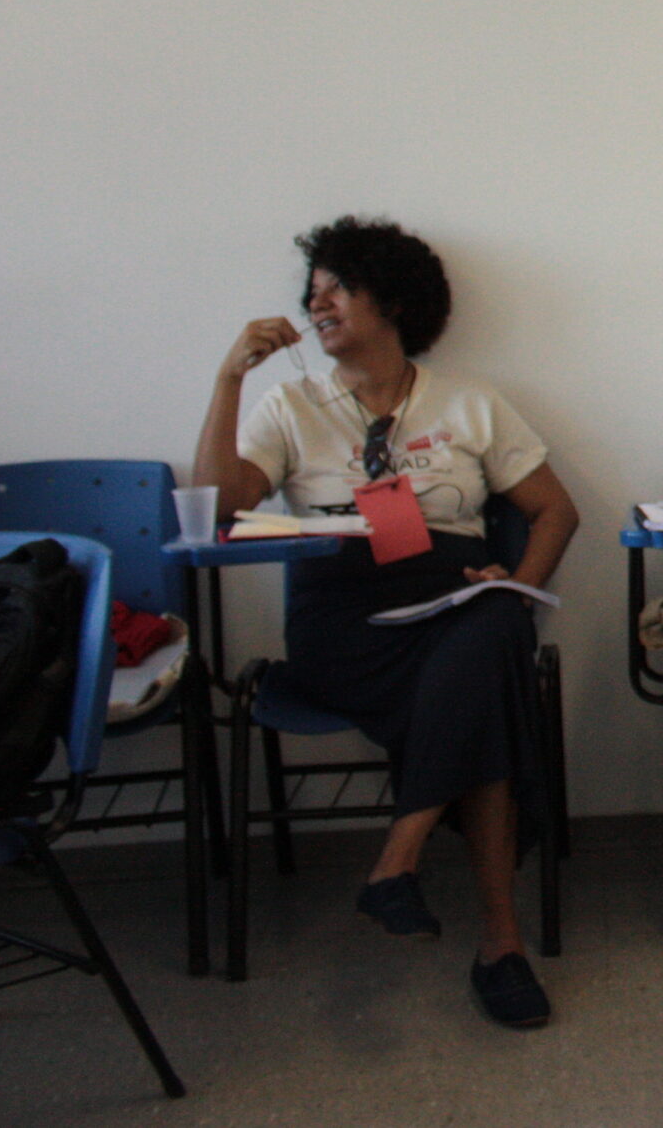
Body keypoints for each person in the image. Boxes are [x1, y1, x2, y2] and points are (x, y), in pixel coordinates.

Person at [192, 216, 579, 1029]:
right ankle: (496, 941)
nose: (317, 303)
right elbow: (219, 505)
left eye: (339, 287)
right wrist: (230, 377)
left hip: (451, 600)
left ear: (393, 300)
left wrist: (518, 583)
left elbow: (556, 511)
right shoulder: (291, 404)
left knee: (496, 630)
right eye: (313, 290)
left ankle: (403, 867)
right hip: (342, 621)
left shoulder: (470, 402)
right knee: (491, 673)